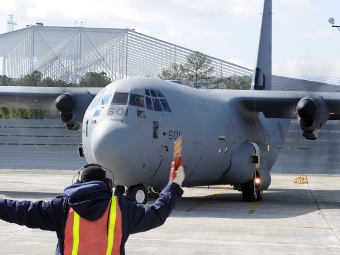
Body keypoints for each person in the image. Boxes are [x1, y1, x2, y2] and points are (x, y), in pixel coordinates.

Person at [0, 157, 185, 255]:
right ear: (107, 184)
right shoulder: (121, 209)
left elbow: (20, 210)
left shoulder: (62, 207)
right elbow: (157, 213)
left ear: (79, 182)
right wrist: (174, 185)